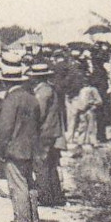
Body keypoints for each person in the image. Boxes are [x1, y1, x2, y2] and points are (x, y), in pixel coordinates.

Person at [0, 60, 43, 222]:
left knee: (17, 185)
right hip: (31, 147)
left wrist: (0, 149)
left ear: (6, 82)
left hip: (14, 148)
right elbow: (38, 124)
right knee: (29, 183)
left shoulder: (10, 100)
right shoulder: (32, 99)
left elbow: (5, 128)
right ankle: (34, 220)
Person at [29, 59, 66, 209]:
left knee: (41, 163)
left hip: (44, 132)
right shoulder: (50, 88)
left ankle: (44, 196)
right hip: (52, 131)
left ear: (37, 77)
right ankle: (55, 195)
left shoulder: (42, 92)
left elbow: (40, 112)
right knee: (51, 164)